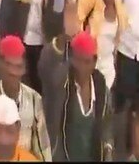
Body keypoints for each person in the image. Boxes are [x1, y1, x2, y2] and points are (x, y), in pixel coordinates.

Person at [38, 31, 113, 161]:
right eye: (77, 60)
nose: (81, 67)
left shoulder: (101, 89)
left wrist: (108, 147)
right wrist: (60, 41)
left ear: (95, 62)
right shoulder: (60, 82)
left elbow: (106, 124)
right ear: (71, 58)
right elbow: (45, 68)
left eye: (87, 62)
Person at [0, 35, 51, 161]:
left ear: (24, 68)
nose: (13, 72)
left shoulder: (34, 99)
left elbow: (42, 148)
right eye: (9, 65)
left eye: (18, 67)